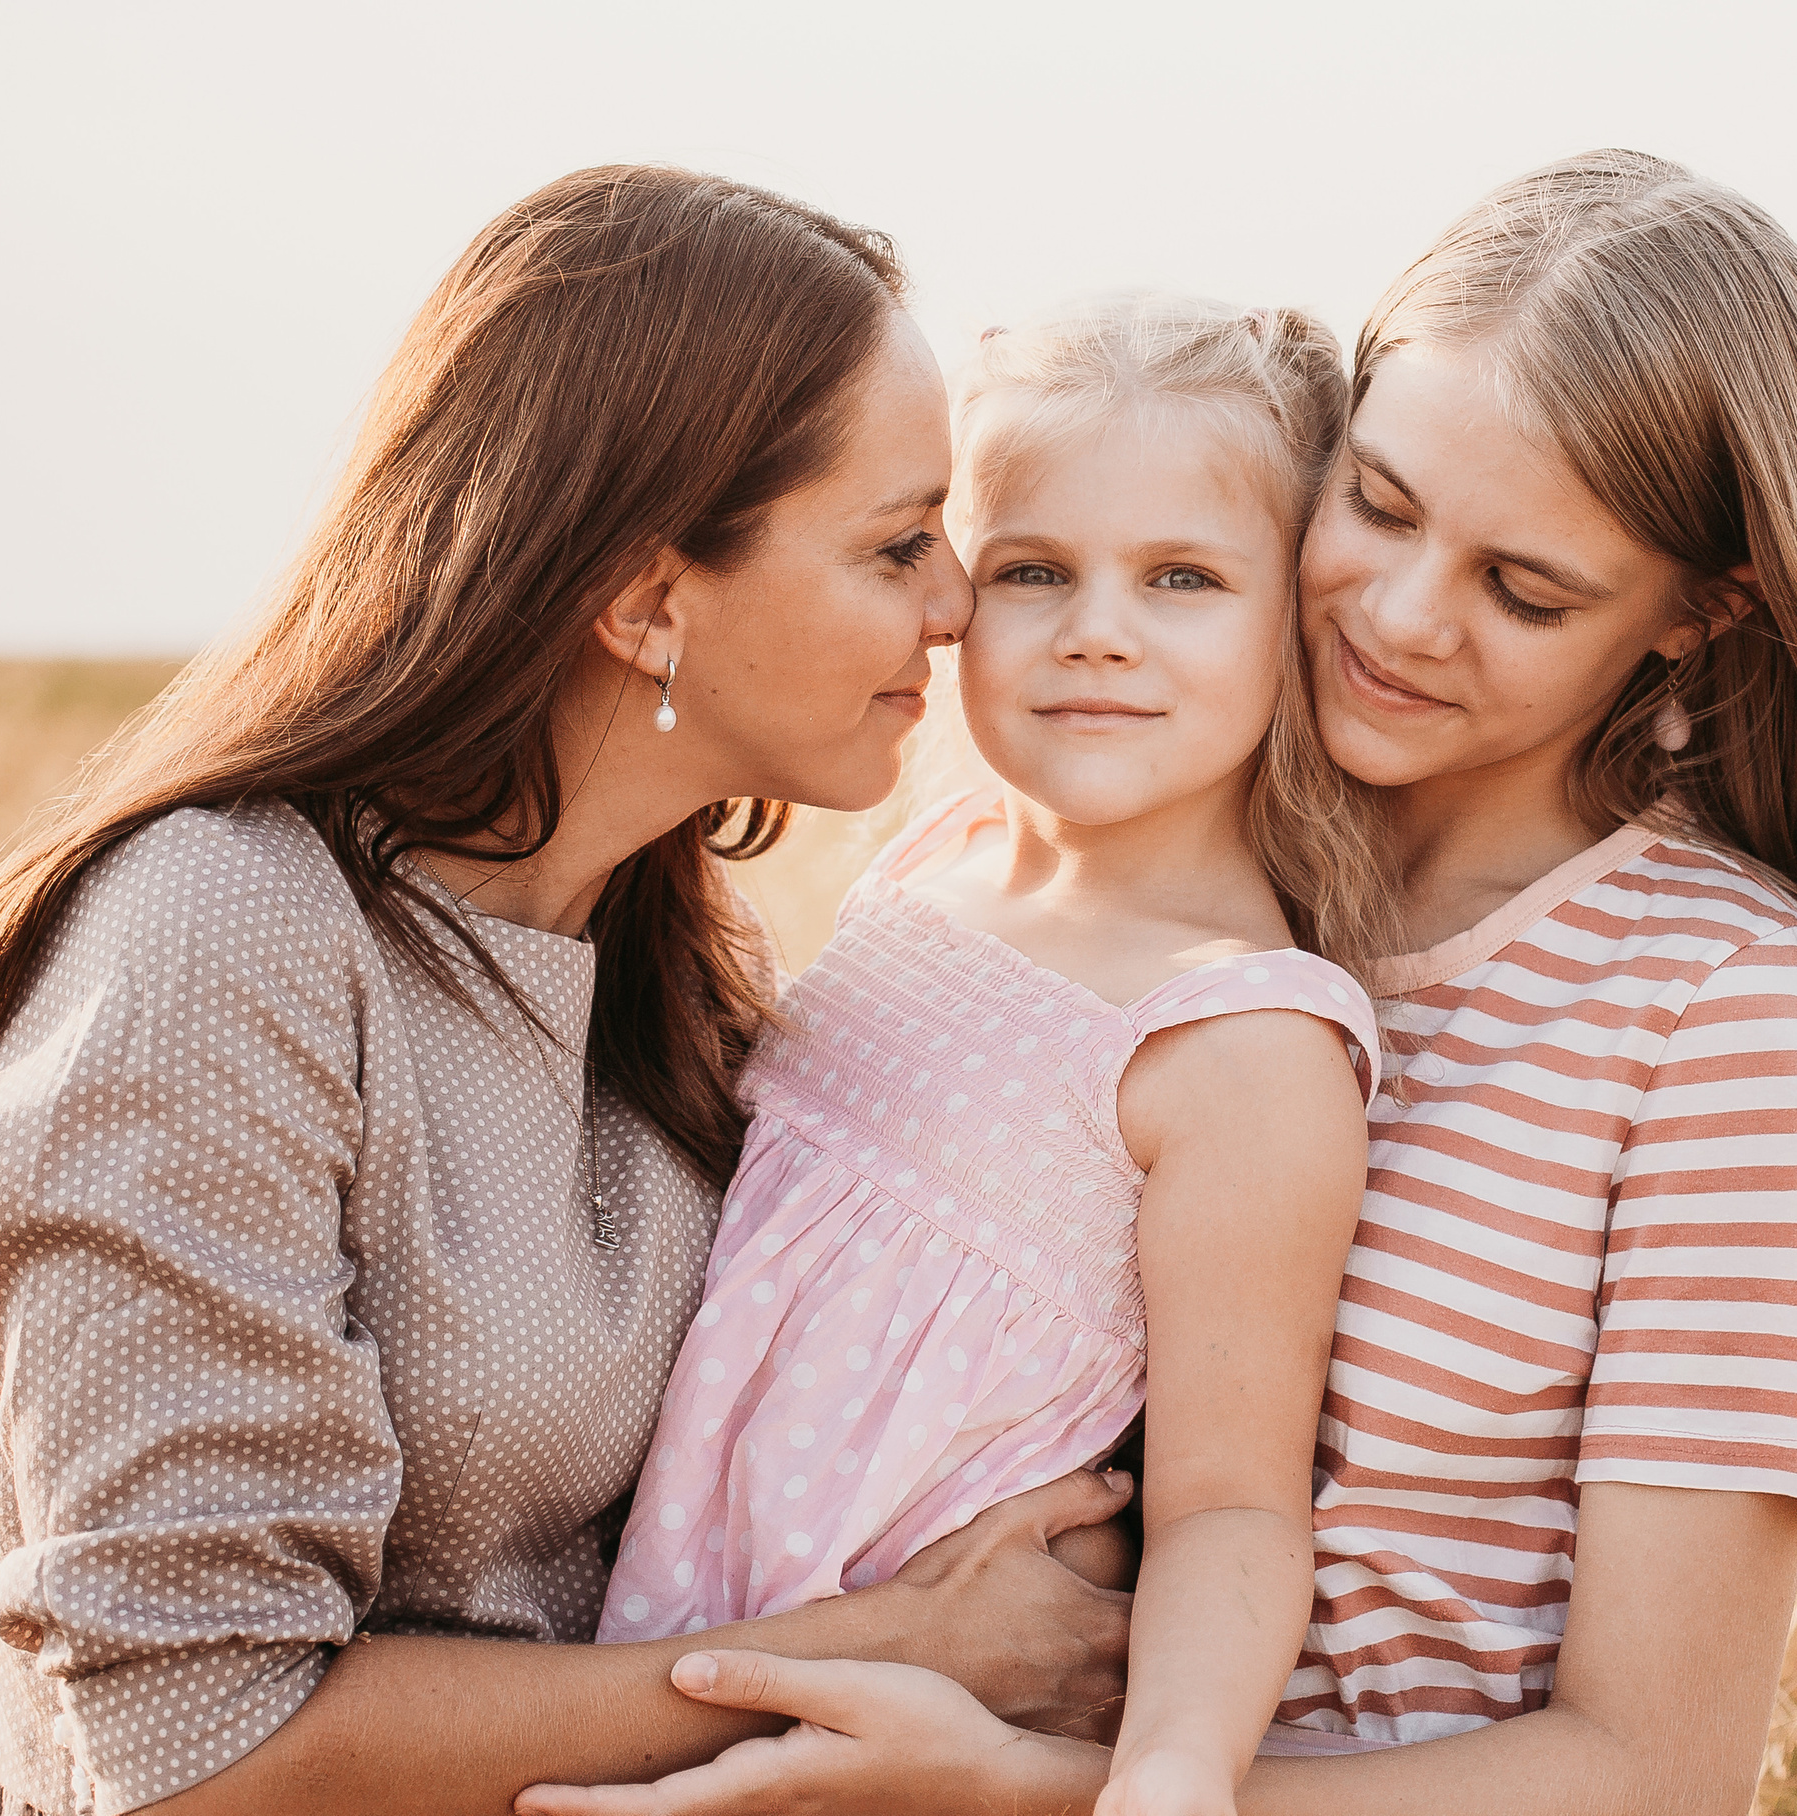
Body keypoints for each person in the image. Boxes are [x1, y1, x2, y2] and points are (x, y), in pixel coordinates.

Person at [516, 150, 1797, 1816]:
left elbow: (1656, 1773)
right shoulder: (1130, 851)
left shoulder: (1724, 1008)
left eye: (1525, 591)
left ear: (1697, 617)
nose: (1403, 615)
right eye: (1378, 506)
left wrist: (1026, 1786)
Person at [0, 165, 1135, 1816]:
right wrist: (898, 1654)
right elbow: (202, 1757)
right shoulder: (218, 937)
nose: (959, 605)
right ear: (645, 599)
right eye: (899, 543)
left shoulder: (677, 958)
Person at [587, 296, 1394, 1816]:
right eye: (1033, 571)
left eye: (1182, 577)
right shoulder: (926, 868)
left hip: (909, 1728)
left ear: (1297, 620)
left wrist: (1170, 1773)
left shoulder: (1237, 1039)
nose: (1099, 629)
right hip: (680, 1616)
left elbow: (1230, 1502)